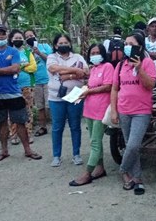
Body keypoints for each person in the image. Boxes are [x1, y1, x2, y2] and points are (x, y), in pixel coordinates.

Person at [0, 25, 42, 162]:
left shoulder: (14, 51)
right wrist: (7, 70)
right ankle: (4, 151)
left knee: (20, 121)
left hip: (13, 91)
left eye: (3, 33)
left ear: (6, 35)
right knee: (2, 123)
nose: (1, 35)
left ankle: (28, 150)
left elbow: (15, 69)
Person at [110, 30, 156, 195]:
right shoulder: (121, 65)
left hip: (141, 111)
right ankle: (137, 179)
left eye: (132, 44)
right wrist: (114, 111)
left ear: (140, 46)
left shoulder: (147, 63)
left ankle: (123, 170)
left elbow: (150, 85)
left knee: (133, 145)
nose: (128, 47)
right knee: (132, 146)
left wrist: (139, 68)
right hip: (124, 110)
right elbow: (115, 89)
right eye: (126, 44)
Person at [68, 43, 113, 186]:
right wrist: (83, 91)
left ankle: (87, 173)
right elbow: (91, 86)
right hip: (89, 108)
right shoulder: (93, 69)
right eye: (92, 53)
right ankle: (100, 168)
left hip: (101, 108)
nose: (94, 55)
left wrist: (89, 91)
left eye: (97, 53)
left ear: (103, 53)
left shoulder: (108, 67)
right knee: (94, 140)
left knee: (95, 141)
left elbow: (108, 86)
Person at [47, 34, 89, 167]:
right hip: (56, 98)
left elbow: (85, 72)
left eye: (66, 42)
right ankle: (56, 156)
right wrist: (75, 70)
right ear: (55, 46)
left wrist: (66, 75)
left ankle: (76, 154)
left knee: (75, 126)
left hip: (75, 96)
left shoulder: (78, 57)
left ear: (70, 44)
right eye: (60, 43)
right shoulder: (52, 57)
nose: (63, 45)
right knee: (57, 127)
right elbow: (54, 69)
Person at [8, 29, 37, 145]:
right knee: (12, 112)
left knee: (28, 111)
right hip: (12, 87)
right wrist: (24, 65)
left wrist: (20, 67)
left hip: (28, 85)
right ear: (11, 40)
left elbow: (33, 67)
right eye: (16, 38)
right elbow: (8, 68)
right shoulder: (8, 53)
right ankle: (13, 136)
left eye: (20, 38)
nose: (18, 40)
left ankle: (28, 134)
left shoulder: (27, 53)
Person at [24, 29, 53, 137]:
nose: (29, 38)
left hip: (48, 80)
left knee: (51, 105)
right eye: (27, 37)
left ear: (35, 36)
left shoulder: (45, 47)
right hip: (35, 82)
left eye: (31, 35)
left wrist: (39, 53)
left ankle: (56, 126)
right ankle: (43, 127)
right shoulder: (26, 52)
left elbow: (51, 60)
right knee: (40, 106)